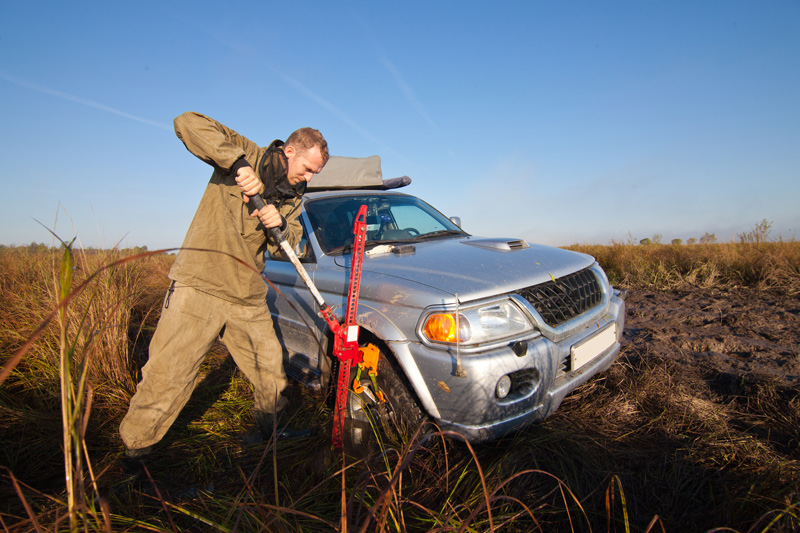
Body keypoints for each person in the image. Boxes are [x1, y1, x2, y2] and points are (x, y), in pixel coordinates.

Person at [120, 112, 328, 458]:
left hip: (246, 297)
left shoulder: (293, 198)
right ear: (290, 151)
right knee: (168, 375)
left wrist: (281, 226)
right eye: (307, 168)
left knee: (270, 373)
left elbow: (291, 244)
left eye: (314, 174)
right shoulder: (244, 151)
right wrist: (238, 165)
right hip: (199, 286)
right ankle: (135, 455)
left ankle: (271, 433)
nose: (308, 177)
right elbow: (186, 122)